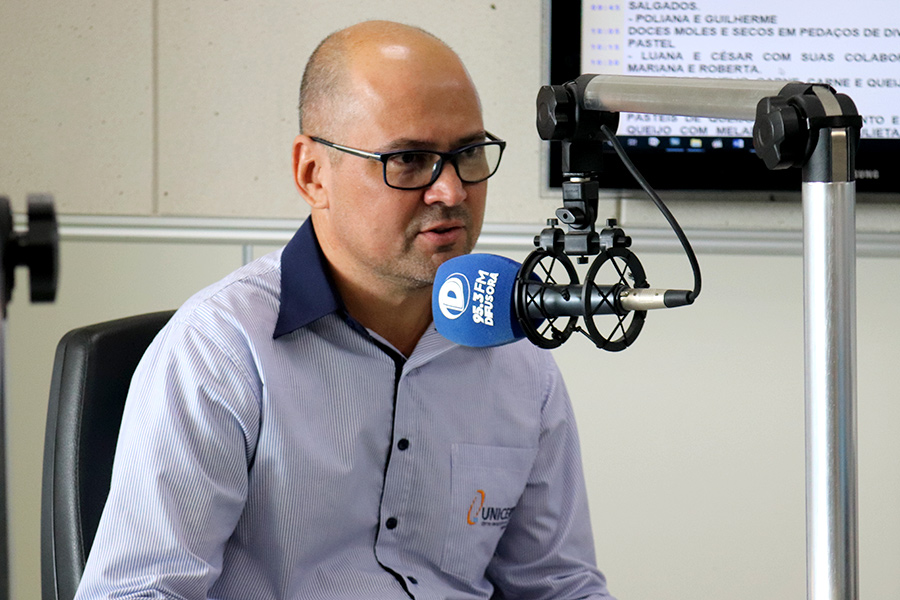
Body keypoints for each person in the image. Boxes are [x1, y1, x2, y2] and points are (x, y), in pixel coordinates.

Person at [75, 20, 615, 600]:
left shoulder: (519, 361)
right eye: (409, 159)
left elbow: (559, 584)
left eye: (468, 153)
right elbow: (134, 591)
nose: (452, 191)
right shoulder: (220, 350)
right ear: (313, 175)